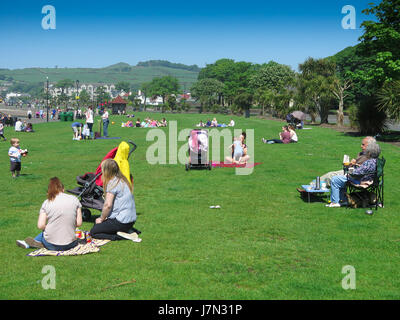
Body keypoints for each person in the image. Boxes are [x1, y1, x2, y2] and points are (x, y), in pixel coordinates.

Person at [16, 177, 83, 250]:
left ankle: (33, 243)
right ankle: (33, 242)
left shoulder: (47, 202)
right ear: (63, 189)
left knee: (45, 232)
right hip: (70, 244)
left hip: (51, 244)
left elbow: (40, 225)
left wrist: (53, 227)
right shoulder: (74, 199)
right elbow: (79, 223)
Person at [90, 159, 139, 241]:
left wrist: (102, 218)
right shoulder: (123, 180)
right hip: (130, 221)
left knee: (94, 232)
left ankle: (120, 236)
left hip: (121, 221)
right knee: (98, 224)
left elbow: (107, 205)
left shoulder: (112, 183)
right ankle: (127, 230)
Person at [326, 141, 381, 208]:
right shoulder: (377, 161)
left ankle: (335, 202)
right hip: (370, 180)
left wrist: (350, 171)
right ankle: (344, 200)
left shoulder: (368, 162)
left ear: (369, 153)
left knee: (335, 179)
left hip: (360, 181)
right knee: (340, 179)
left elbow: (356, 174)